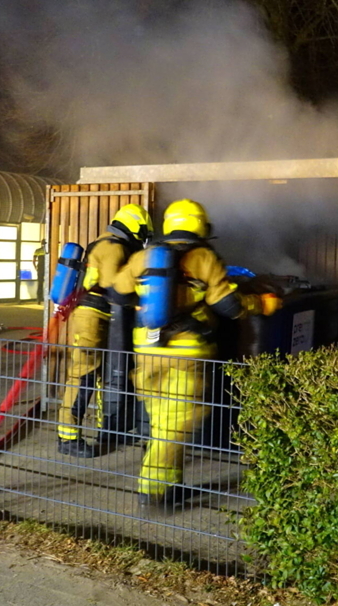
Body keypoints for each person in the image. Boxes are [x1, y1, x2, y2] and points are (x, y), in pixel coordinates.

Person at [109, 199, 281, 507]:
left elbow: (117, 292)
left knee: (163, 420)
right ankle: (153, 492)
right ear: (200, 225)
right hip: (186, 355)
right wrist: (261, 304)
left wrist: (146, 303)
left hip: (146, 352)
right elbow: (228, 305)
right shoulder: (203, 257)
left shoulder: (144, 256)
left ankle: (169, 485)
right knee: (179, 422)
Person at [58, 204, 152, 457]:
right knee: (84, 374)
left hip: (103, 317)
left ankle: (106, 430)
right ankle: (67, 437)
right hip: (92, 316)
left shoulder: (107, 243)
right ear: (135, 228)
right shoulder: (112, 247)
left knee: (103, 376)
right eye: (142, 234)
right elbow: (115, 286)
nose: (141, 241)